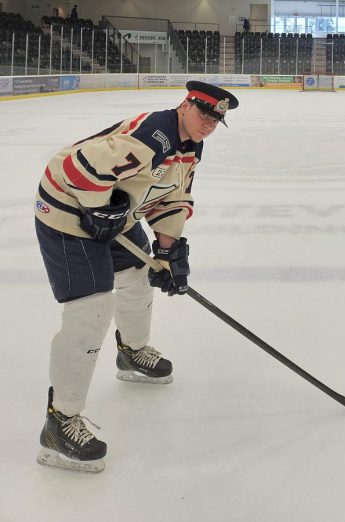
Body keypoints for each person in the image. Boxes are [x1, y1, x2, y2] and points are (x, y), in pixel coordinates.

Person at [34, 81, 239, 473]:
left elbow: (171, 197)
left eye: (217, 120)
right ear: (185, 105)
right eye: (205, 114)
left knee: (140, 273)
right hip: (67, 213)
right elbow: (75, 166)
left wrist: (167, 250)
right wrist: (97, 204)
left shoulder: (191, 145)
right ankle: (59, 421)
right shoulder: (154, 134)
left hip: (113, 216)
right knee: (92, 308)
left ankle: (132, 353)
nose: (210, 124)